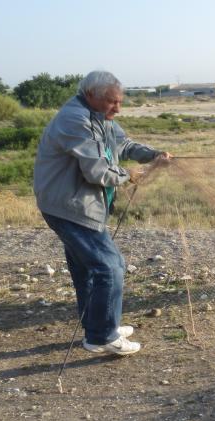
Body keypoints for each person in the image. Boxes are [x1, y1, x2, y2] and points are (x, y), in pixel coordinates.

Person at [34, 70, 174, 356]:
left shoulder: (101, 117)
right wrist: (130, 175)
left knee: (87, 266)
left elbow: (123, 144)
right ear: (91, 96)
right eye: (112, 102)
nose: (118, 108)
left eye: (119, 102)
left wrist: (153, 154)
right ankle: (101, 337)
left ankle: (99, 324)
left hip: (77, 203)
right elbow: (97, 171)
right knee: (110, 266)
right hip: (70, 206)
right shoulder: (75, 120)